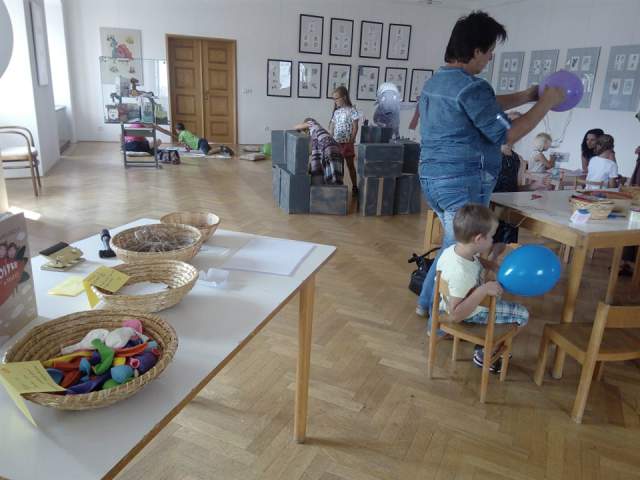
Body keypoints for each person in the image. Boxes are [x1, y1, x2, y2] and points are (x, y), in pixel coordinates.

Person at [416, 10, 565, 318]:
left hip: (433, 179)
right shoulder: (473, 87)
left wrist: (525, 95)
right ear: (475, 51)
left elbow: (485, 105)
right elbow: (509, 133)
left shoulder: (436, 82)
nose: (490, 57)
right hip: (461, 181)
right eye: (489, 51)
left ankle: (427, 305)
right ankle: (443, 317)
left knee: (451, 246)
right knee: (459, 250)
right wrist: (546, 103)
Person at [436, 204, 529, 371]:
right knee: (523, 314)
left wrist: (490, 264)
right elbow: (456, 315)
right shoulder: (461, 272)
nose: (493, 240)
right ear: (479, 239)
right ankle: (486, 352)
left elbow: (475, 260)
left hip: (456, 301)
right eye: (491, 236)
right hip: (470, 313)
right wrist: (483, 290)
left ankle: (490, 338)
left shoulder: (455, 250)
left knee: (498, 292)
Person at [329, 86, 359, 196]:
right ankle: (340, 187)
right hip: (337, 143)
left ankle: (355, 186)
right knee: (339, 167)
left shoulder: (352, 110)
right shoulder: (336, 112)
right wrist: (331, 139)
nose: (335, 101)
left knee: (350, 166)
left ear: (344, 97)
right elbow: (332, 127)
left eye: (336, 98)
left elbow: (355, 127)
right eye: (334, 99)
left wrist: (351, 140)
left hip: (347, 143)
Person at [294, 118, 344, 185]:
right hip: (336, 148)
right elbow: (311, 152)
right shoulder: (317, 133)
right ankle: (335, 188)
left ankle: (331, 187)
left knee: (327, 172)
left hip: (328, 148)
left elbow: (295, 127)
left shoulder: (312, 123)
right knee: (334, 172)